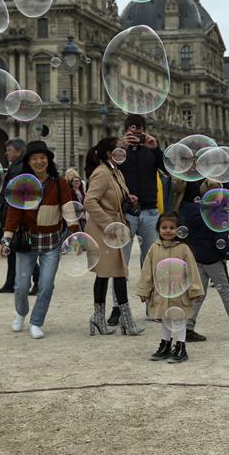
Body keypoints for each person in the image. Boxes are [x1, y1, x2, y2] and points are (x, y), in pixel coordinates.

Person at [0, 141, 78, 339]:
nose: (39, 161)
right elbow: (14, 212)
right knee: (21, 284)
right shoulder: (22, 183)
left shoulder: (59, 182)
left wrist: (75, 233)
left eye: (43, 157)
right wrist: (6, 238)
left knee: (46, 284)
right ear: (28, 161)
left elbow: (68, 208)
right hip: (27, 240)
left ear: (48, 160)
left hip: (52, 241)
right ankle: (21, 312)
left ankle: (36, 321)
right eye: (34, 158)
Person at [179, 178, 229, 342]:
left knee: (198, 293)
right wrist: (227, 254)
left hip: (197, 256)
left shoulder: (192, 210)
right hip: (213, 258)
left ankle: (188, 327)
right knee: (225, 291)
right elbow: (220, 237)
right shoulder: (219, 211)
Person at [83, 137, 144, 337]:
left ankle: (98, 318)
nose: (124, 150)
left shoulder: (115, 172)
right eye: (120, 148)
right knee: (117, 272)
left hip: (114, 228)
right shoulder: (102, 173)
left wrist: (128, 198)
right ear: (109, 153)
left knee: (106, 274)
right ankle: (127, 321)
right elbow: (90, 201)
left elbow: (114, 197)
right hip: (105, 230)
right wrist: (108, 224)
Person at [113, 114, 165, 324]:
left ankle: (152, 307)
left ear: (145, 131)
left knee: (151, 262)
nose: (135, 134)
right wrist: (121, 149)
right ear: (125, 131)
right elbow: (107, 171)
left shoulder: (151, 151)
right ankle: (118, 308)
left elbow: (168, 170)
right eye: (131, 131)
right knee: (120, 263)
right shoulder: (119, 153)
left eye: (139, 131)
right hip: (126, 213)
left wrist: (156, 148)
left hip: (151, 212)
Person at [136, 212, 204, 362]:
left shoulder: (184, 248)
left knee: (179, 320)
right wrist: (144, 290)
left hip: (180, 293)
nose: (168, 230)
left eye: (172, 227)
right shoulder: (154, 248)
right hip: (162, 293)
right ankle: (165, 345)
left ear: (178, 229)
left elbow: (192, 270)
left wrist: (195, 290)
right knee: (165, 318)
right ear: (158, 229)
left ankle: (181, 347)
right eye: (164, 227)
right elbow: (147, 270)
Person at [0, 139, 38, 295]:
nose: (6, 153)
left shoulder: (19, 168)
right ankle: (11, 282)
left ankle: (37, 281)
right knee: (14, 249)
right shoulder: (17, 166)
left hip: (18, 216)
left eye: (9, 150)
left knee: (24, 249)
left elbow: (16, 195)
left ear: (18, 152)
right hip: (13, 213)